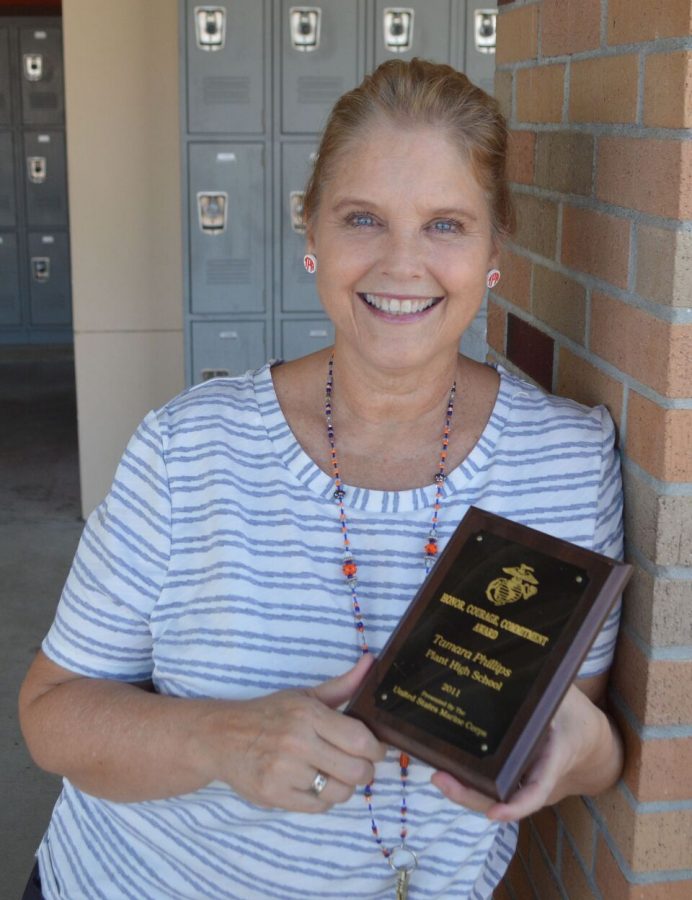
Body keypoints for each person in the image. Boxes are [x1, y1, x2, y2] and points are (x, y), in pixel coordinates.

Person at [19, 59, 624, 899]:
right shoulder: (188, 448)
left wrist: (589, 756)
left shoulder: (567, 461)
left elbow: (577, 731)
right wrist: (218, 740)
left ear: (496, 248)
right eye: (363, 218)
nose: (402, 264)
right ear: (311, 234)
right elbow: (51, 714)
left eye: (446, 225)